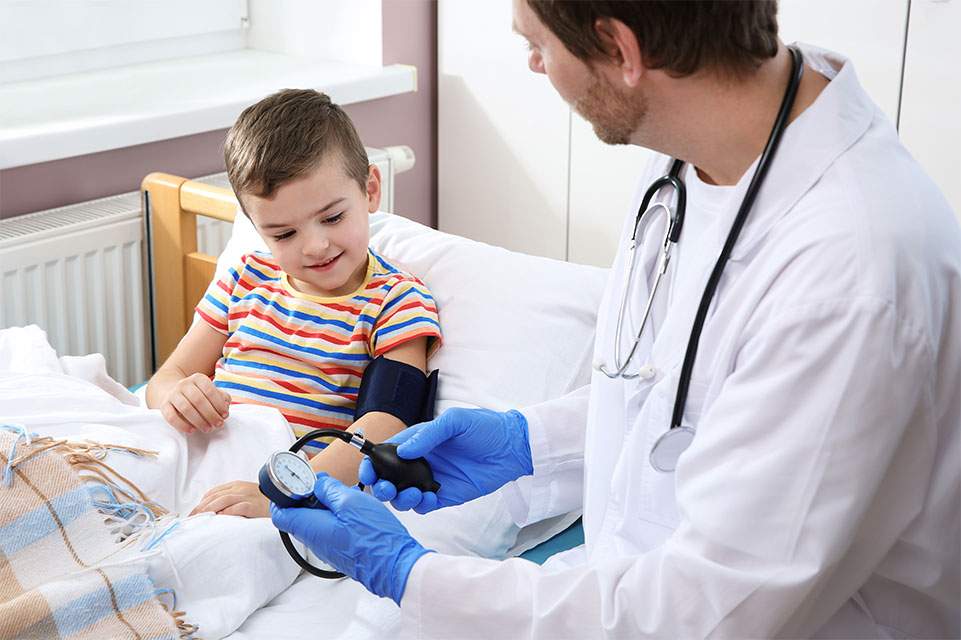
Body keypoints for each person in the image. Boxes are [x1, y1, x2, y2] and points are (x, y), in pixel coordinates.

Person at [270, 1, 961, 637]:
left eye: (537, 43)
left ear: (619, 48)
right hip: (622, 586)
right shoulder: (690, 155)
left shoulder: (851, 275)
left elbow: (706, 613)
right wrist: (527, 443)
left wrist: (409, 573)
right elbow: (674, 392)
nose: (535, 63)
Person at [145, 89, 442, 518]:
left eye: (333, 217)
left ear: (371, 190)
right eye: (284, 235)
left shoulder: (395, 300)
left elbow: (386, 424)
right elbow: (167, 376)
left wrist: (284, 492)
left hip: (283, 481)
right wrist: (177, 396)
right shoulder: (243, 279)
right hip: (196, 453)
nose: (316, 246)